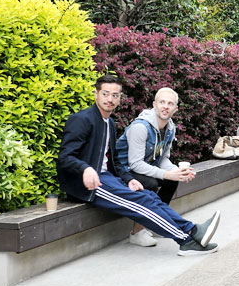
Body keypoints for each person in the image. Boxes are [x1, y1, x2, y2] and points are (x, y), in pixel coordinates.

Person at [57, 75, 220, 256]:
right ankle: (186, 240)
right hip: (88, 185)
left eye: (115, 95)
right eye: (105, 94)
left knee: (148, 196)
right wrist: (85, 169)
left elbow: (114, 160)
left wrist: (128, 179)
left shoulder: (109, 123)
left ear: (120, 98)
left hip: (107, 178)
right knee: (141, 203)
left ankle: (193, 230)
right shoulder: (82, 119)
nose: (110, 99)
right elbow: (65, 157)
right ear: (96, 94)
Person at [114, 87, 198, 247]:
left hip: (142, 169)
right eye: (162, 102)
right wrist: (167, 174)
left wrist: (177, 172)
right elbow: (135, 163)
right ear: (154, 105)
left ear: (175, 109)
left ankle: (158, 221)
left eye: (170, 103)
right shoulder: (141, 127)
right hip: (123, 172)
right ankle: (137, 232)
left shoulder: (170, 128)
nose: (165, 106)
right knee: (150, 184)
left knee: (172, 181)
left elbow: (163, 159)